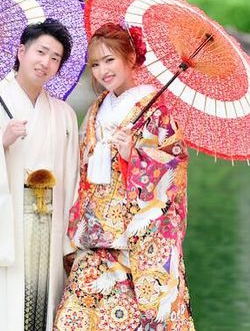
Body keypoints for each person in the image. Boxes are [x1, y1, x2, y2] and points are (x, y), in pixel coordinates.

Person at [54, 23, 196, 330]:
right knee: (73, 320)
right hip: (95, 233)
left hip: (136, 238)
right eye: (95, 64)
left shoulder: (155, 110)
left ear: (130, 58)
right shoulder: (96, 109)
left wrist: (135, 156)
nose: (102, 71)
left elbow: (174, 166)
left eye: (109, 60)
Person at [0, 18, 79, 331]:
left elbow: (73, 177)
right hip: (8, 223)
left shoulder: (64, 114)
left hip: (49, 225)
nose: (46, 62)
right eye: (41, 52)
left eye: (55, 58)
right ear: (21, 52)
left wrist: (71, 241)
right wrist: (2, 142)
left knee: (41, 311)